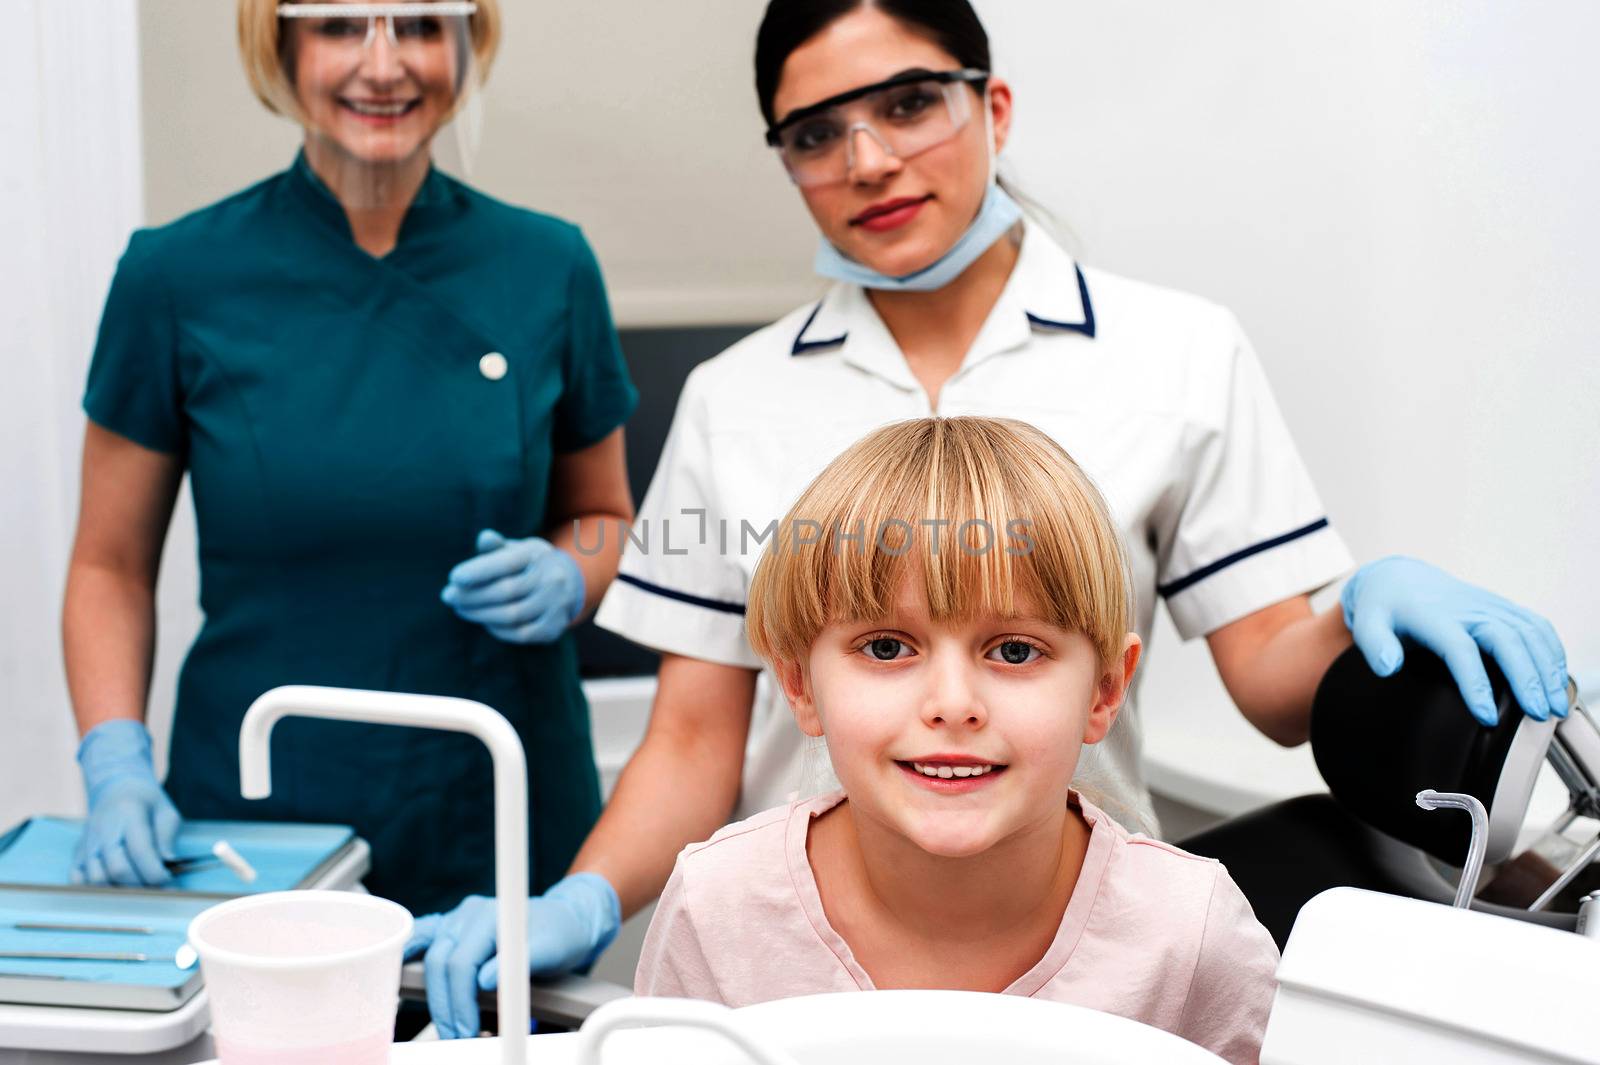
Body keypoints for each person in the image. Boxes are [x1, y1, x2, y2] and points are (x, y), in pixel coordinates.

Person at [413, 0, 1569, 1037]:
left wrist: (1360, 613)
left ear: (993, 105)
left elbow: (1268, 676)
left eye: (909, 104)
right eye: (815, 133)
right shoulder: (734, 401)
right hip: (804, 953)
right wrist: (580, 898)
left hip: (1090, 960)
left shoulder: (1175, 356)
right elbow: (693, 736)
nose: (867, 160)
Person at [63, 0, 636, 934]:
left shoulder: (549, 266)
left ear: (466, 40)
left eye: (416, 23)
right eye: (339, 26)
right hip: (262, 808)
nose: (383, 64)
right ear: (279, 43)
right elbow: (107, 565)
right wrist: (114, 757)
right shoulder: (175, 276)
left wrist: (574, 572)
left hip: (497, 802)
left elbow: (607, 513)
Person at [637, 417, 1279, 1065]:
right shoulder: (717, 908)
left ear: (1105, 691)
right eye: (887, 646)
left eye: (1014, 649)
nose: (952, 705)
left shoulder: (1193, 936)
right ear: (800, 685)